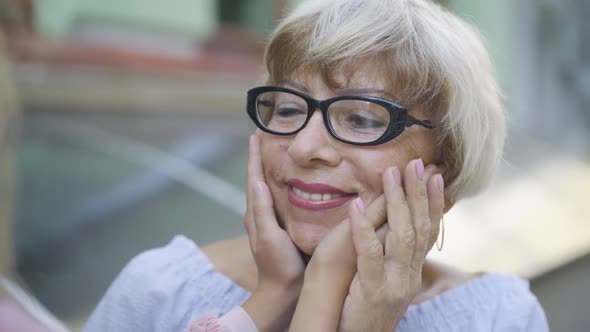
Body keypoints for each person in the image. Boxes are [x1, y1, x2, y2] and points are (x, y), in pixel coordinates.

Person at [84, 0, 549, 331]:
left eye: (364, 118)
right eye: (288, 108)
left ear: (444, 165)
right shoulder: (161, 292)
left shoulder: (496, 317)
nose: (305, 147)